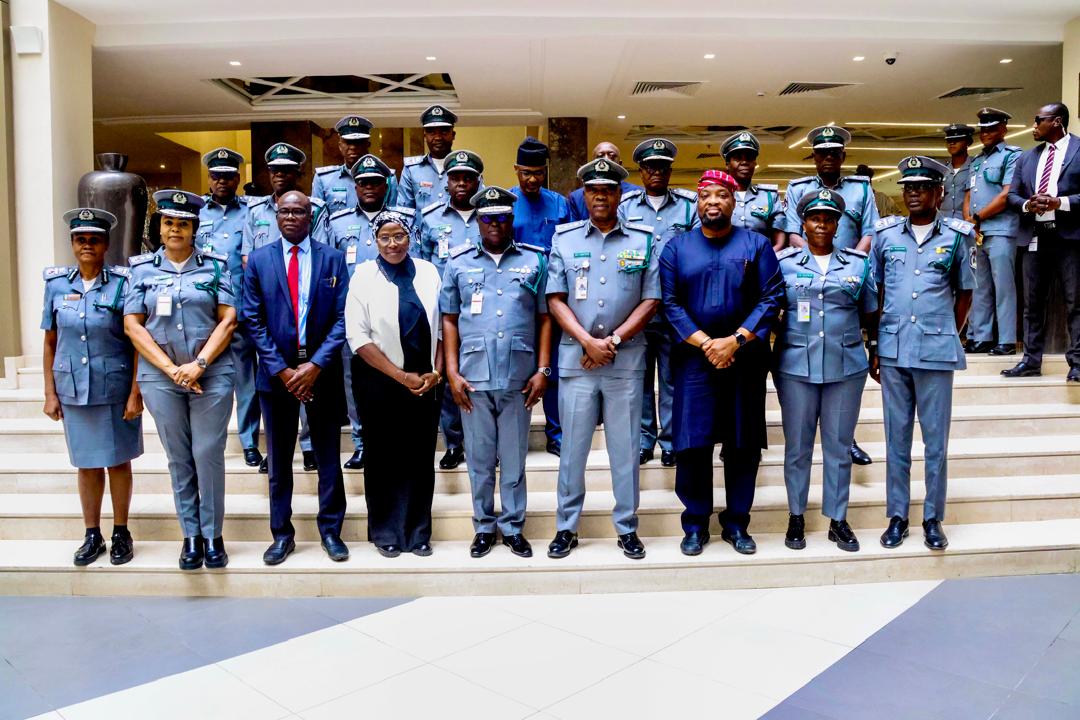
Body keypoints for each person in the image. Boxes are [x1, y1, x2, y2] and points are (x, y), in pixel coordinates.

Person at [660, 170, 783, 556]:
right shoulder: (676, 248)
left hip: (744, 359)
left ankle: (736, 523)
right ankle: (695, 523)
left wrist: (735, 341)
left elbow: (771, 297)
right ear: (697, 204)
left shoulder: (757, 245)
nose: (713, 202)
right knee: (693, 445)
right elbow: (670, 304)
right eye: (705, 196)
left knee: (743, 445)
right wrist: (707, 344)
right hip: (694, 362)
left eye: (721, 195)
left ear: (734, 201)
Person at [545, 158, 660, 560]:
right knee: (572, 450)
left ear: (619, 195)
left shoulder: (644, 239)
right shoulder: (565, 238)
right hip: (576, 362)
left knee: (625, 449)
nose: (600, 196)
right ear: (584, 195)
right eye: (593, 190)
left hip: (625, 361)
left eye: (608, 189)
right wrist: (586, 342)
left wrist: (609, 340)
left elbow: (651, 299)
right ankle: (566, 528)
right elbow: (555, 298)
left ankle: (627, 527)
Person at [124, 190, 237, 570]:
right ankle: (190, 535)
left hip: (212, 373)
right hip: (161, 378)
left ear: (194, 229)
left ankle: (213, 534)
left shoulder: (215, 266)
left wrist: (199, 364)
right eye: (169, 222)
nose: (175, 229)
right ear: (159, 227)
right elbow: (133, 326)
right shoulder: (140, 270)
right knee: (178, 457)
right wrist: (172, 370)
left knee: (207, 453)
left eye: (183, 223)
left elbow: (228, 320)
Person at [441, 186, 552, 558]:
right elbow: (450, 320)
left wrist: (542, 369)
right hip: (472, 377)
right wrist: (452, 373)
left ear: (511, 220)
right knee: (480, 460)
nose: (495, 224)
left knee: (515, 459)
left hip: (519, 378)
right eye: (488, 218)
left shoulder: (535, 261)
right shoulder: (457, 263)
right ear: (478, 221)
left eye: (503, 217)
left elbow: (544, 318)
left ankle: (513, 527)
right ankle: (484, 526)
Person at [241, 191, 350, 566]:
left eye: (299, 211)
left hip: (322, 372)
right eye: (285, 211)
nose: (291, 217)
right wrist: (283, 370)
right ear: (276, 214)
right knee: (279, 460)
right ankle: (281, 535)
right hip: (277, 376)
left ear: (311, 215)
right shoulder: (258, 261)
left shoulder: (333, 259)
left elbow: (342, 319)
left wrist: (315, 365)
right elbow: (252, 320)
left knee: (328, 457)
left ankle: (331, 532)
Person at [871, 156, 974, 551]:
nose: (913, 193)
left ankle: (933, 517)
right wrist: (876, 346)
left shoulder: (957, 236)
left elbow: (964, 293)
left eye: (922, 187)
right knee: (896, 439)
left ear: (939, 192)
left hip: (934, 351)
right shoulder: (885, 236)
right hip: (894, 351)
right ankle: (897, 516)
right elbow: (877, 293)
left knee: (936, 442)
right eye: (908, 186)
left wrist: (946, 332)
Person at [775, 190, 877, 552]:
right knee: (798, 449)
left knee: (837, 447)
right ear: (803, 223)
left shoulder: (857, 263)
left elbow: (870, 311)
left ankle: (838, 519)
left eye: (829, 218)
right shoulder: (784, 263)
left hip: (845, 365)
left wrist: (876, 350)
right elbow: (770, 310)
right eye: (815, 217)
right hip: (795, 367)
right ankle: (797, 516)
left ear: (838, 224)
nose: (822, 224)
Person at [43, 208, 143, 566]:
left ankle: (120, 532)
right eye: (81, 239)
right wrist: (50, 392)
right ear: (72, 243)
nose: (87, 245)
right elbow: (51, 341)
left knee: (118, 462)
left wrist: (136, 391)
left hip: (114, 387)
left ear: (106, 244)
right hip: (74, 389)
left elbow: (136, 343)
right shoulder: (56, 285)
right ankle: (91, 534)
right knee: (86, 465)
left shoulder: (123, 282)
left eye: (94, 239)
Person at [345, 210, 443, 557]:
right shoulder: (362, 276)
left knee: (419, 458)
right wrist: (402, 377)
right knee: (384, 457)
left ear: (410, 237)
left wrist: (436, 373)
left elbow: (442, 328)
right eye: (384, 237)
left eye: (398, 236)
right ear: (374, 240)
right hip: (379, 381)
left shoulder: (430, 272)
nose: (392, 244)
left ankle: (418, 532)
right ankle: (386, 530)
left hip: (426, 382)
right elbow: (358, 337)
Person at [783, 125, 878, 467]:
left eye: (833, 153)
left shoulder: (861, 189)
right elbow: (794, 233)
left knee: (841, 358)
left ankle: (845, 438)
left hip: (849, 278)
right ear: (814, 157)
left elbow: (869, 233)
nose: (827, 158)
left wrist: (847, 266)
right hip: (808, 272)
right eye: (821, 153)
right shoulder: (798, 189)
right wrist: (816, 261)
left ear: (843, 156)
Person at [243, 142, 329, 472]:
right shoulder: (255, 213)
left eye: (286, 170)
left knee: (309, 383)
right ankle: (276, 449)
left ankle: (308, 446)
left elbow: (322, 252)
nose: (279, 175)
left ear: (297, 174)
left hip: (307, 301)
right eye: (274, 170)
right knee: (271, 381)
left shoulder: (316, 208)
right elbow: (249, 258)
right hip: (270, 306)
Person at [328, 154, 416, 469]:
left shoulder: (405, 219)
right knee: (355, 380)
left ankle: (401, 436)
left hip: (396, 314)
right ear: (355, 185)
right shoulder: (337, 222)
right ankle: (363, 442)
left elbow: (414, 265)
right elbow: (330, 269)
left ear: (386, 185)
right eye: (362, 182)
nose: (368, 187)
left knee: (401, 371)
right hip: (353, 316)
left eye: (375, 182)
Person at [618, 138, 699, 467]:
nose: (656, 172)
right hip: (636, 309)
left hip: (674, 308)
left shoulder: (687, 205)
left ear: (669, 171)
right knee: (638, 378)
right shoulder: (626, 206)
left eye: (662, 167)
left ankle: (670, 440)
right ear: (641, 171)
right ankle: (643, 438)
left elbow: (694, 254)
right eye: (650, 167)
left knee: (669, 379)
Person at [417, 149, 484, 469]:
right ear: (446, 181)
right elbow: (421, 266)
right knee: (444, 379)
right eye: (455, 177)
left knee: (481, 378)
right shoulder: (430, 217)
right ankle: (454, 443)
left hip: (483, 311)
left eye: (468, 178)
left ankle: (484, 444)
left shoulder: (490, 213)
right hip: (443, 314)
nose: (461, 183)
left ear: (478, 181)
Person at [1004, 103, 1080, 382]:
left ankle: (1078, 363)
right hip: (1035, 236)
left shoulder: (1079, 150)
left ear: (1057, 121)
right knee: (1032, 303)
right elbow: (1012, 195)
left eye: (1039, 120)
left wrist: (1060, 202)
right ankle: (1031, 361)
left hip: (1070, 238)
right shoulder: (1027, 158)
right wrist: (1027, 204)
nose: (1034, 125)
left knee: (1075, 303)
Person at [197, 147, 262, 469]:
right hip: (212, 313)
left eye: (228, 176)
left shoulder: (252, 210)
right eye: (216, 176)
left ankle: (250, 442)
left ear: (238, 178)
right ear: (209, 179)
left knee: (251, 380)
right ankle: (215, 440)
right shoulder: (196, 214)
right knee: (226, 380)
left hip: (249, 306)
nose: (222, 181)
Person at [511, 136, 570, 457]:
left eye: (537, 172)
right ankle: (515, 435)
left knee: (554, 369)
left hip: (553, 299)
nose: (531, 179)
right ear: (516, 170)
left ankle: (556, 434)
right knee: (518, 368)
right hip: (516, 301)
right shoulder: (505, 201)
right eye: (525, 173)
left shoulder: (560, 204)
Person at [963, 107, 1022, 356]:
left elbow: (1006, 194)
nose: (986, 133)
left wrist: (977, 217)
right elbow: (968, 194)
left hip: (1000, 230)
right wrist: (968, 219)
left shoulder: (1012, 155)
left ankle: (1007, 340)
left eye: (992, 128)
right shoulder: (976, 161)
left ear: (1003, 129)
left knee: (1004, 287)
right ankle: (981, 337)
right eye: (983, 129)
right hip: (977, 232)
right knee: (980, 286)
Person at [312, 115, 399, 213]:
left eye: (358, 142)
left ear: (368, 145)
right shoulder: (324, 179)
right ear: (340, 146)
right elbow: (317, 218)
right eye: (348, 142)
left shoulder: (388, 178)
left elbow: (394, 216)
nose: (353, 147)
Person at [940, 124, 977, 344]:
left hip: (967, 231)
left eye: (958, 139)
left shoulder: (975, 167)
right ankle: (952, 330)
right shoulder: (942, 170)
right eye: (949, 140)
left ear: (968, 142)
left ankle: (973, 334)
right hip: (944, 232)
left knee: (968, 285)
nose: (952, 143)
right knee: (946, 284)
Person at [722, 131, 786, 252]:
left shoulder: (769, 196)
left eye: (749, 158)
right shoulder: (718, 197)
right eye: (738, 158)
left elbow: (779, 237)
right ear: (727, 164)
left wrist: (768, 258)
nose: (745, 162)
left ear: (755, 163)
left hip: (762, 261)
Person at [398, 104, 458, 213]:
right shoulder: (411, 170)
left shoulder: (466, 168)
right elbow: (404, 212)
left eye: (444, 131)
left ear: (453, 135)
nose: (438, 137)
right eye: (431, 132)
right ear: (425, 136)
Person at [566, 142, 642, 222]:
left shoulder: (638, 193)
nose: (606, 159)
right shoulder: (576, 197)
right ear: (593, 164)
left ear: (620, 164)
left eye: (612, 156)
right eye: (600, 156)